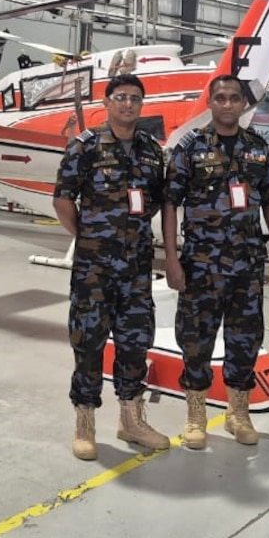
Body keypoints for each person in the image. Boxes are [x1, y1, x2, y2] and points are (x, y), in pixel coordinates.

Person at [162, 75, 269, 450]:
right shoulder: (191, 147)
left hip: (246, 265)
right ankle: (196, 415)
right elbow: (170, 203)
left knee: (245, 339)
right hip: (201, 264)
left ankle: (238, 413)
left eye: (234, 98)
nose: (228, 104)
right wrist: (171, 258)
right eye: (221, 98)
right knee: (196, 340)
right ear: (211, 102)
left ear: (242, 104)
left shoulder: (257, 147)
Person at [53, 73, 170, 460]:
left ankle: (131, 420)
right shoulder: (85, 147)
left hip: (135, 268)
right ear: (106, 102)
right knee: (88, 343)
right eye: (120, 97)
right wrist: (89, 237)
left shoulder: (152, 151)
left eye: (135, 98)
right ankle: (84, 422)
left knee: (135, 343)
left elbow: (155, 202)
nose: (128, 104)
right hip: (94, 269)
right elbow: (63, 200)